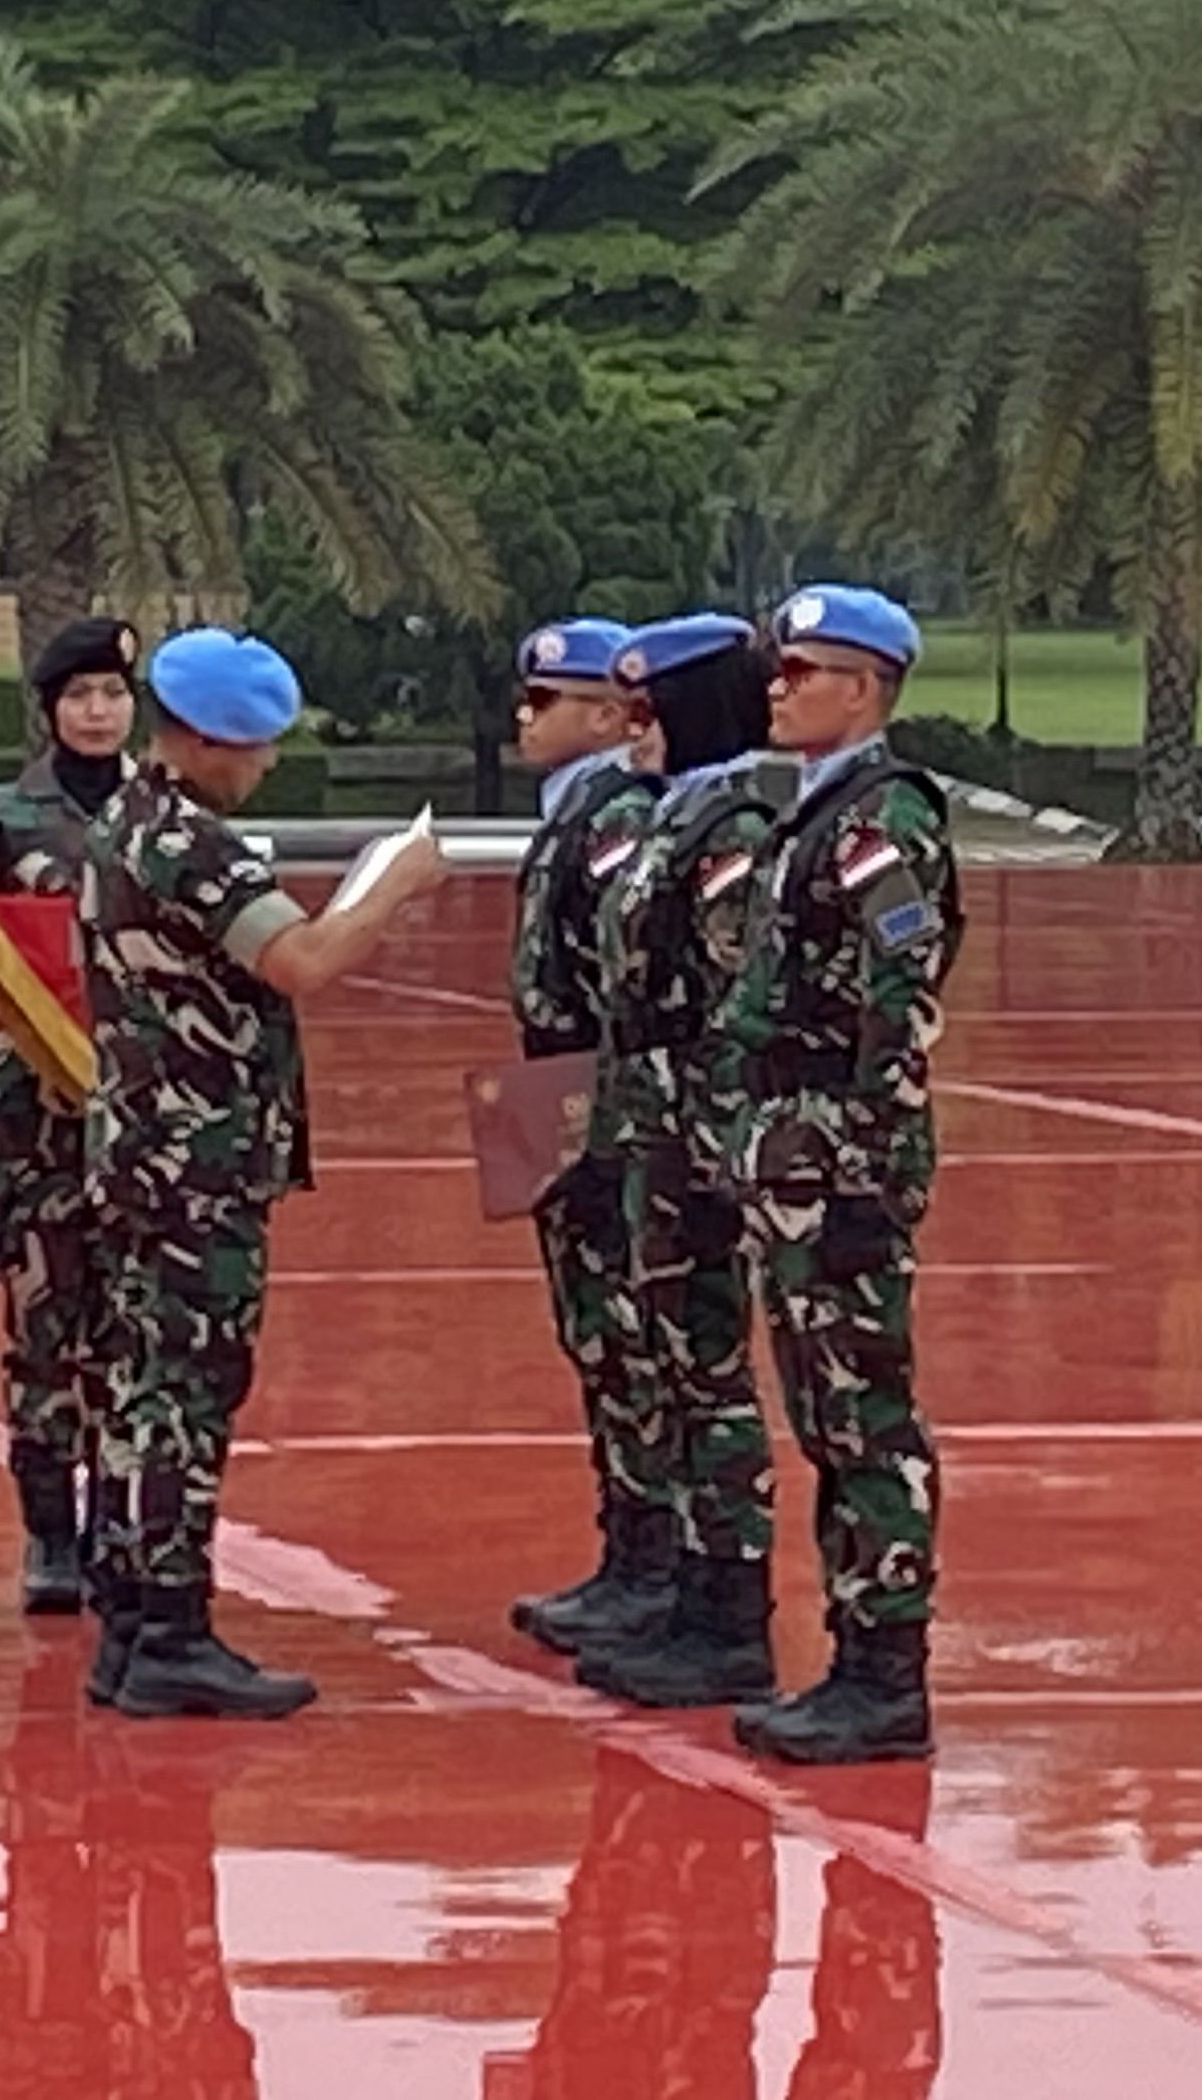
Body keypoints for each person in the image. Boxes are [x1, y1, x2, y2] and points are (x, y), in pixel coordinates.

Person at [82, 625, 452, 1719]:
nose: (263, 767)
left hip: (145, 1152)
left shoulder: (123, 820)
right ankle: (172, 1631)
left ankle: (133, 1622)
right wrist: (392, 887)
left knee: (144, 1390)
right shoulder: (196, 844)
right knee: (189, 1395)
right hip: (199, 1164)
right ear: (199, 739)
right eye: (251, 746)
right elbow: (301, 962)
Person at [723, 585, 963, 1768]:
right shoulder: (816, 816)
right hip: (795, 1149)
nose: (778, 688)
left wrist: (869, 1165)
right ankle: (855, 1656)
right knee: (824, 1408)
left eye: (800, 672)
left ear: (862, 689)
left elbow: (900, 998)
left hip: (840, 1160)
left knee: (864, 1413)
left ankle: (885, 1673)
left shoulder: (880, 822)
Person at [578, 613, 796, 1711]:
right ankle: (687, 1593)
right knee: (667, 1364)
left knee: (708, 1374)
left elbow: (729, 1005)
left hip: (701, 1145)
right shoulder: (680, 815)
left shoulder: (736, 832)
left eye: (651, 711)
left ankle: (728, 1613)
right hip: (651, 1133)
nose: (632, 731)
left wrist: (716, 1146)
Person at [0, 614, 142, 1615]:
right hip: (34, 1114)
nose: (98, 713)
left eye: (113, 695)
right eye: (80, 697)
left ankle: (118, 1524)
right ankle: (49, 1537)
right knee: (41, 1323)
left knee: (129, 1326)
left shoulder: (168, 811)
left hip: (145, 1107)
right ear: (51, 708)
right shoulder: (2, 820)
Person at [498, 616, 674, 1657]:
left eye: (543, 702)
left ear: (608, 715)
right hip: (549, 1085)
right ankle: (625, 1549)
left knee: (623, 1329)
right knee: (589, 1329)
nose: (523, 719)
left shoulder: (615, 817)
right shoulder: (575, 809)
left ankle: (648, 1557)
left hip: (592, 1089)